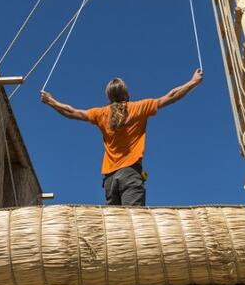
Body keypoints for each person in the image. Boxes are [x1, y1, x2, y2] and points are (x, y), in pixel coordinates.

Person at [40, 69, 203, 206]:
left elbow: (72, 112)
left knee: (116, 228)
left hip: (110, 180)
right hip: (130, 174)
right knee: (133, 224)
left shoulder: (101, 114)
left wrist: (50, 101)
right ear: (127, 94)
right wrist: (193, 82)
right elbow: (171, 96)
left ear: (109, 97)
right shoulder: (138, 108)